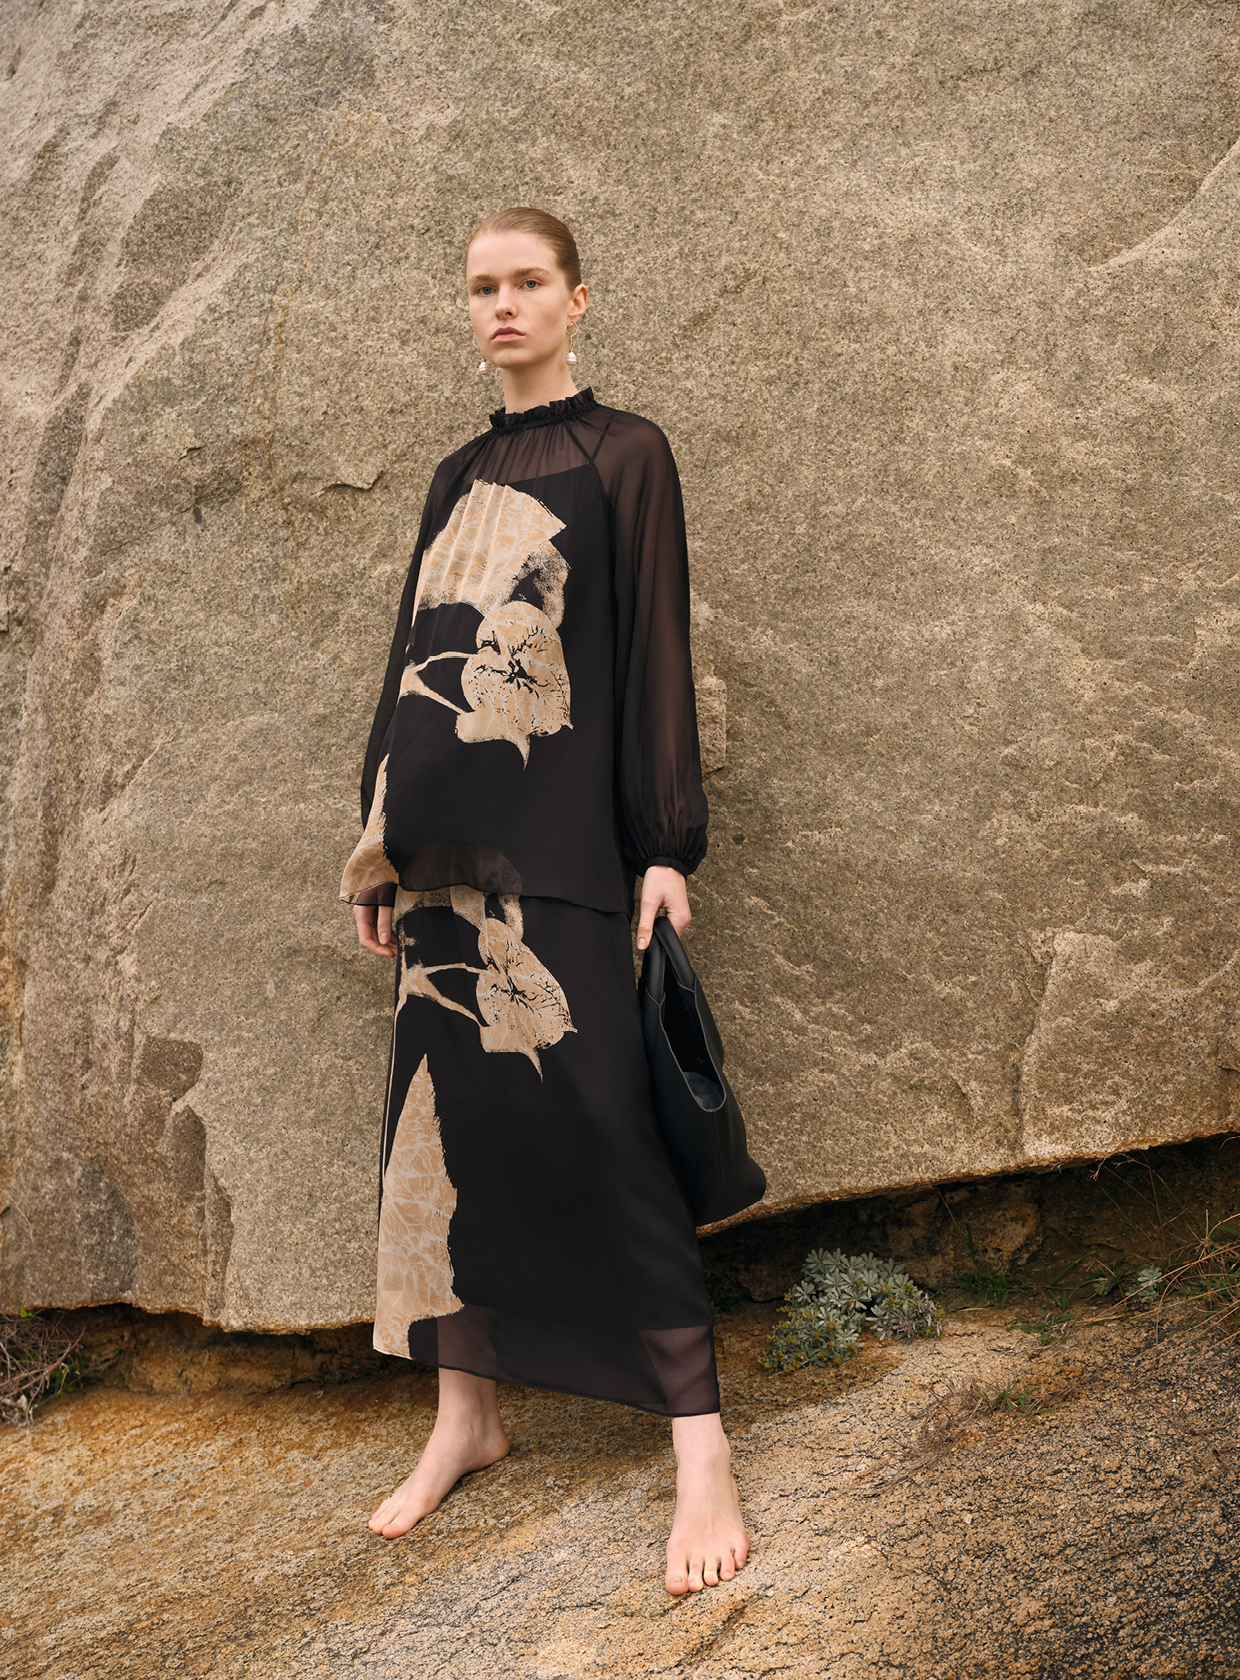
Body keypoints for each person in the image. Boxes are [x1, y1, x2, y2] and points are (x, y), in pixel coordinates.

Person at [341, 206, 748, 1596]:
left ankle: (700, 1444)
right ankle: (467, 1417)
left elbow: (651, 654)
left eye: (528, 282)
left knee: (602, 1123)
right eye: (482, 287)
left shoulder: (627, 453)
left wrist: (664, 845)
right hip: (438, 848)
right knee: (441, 1128)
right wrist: (377, 843)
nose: (502, 305)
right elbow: (407, 659)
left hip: (561, 843)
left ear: (579, 301)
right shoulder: (455, 474)